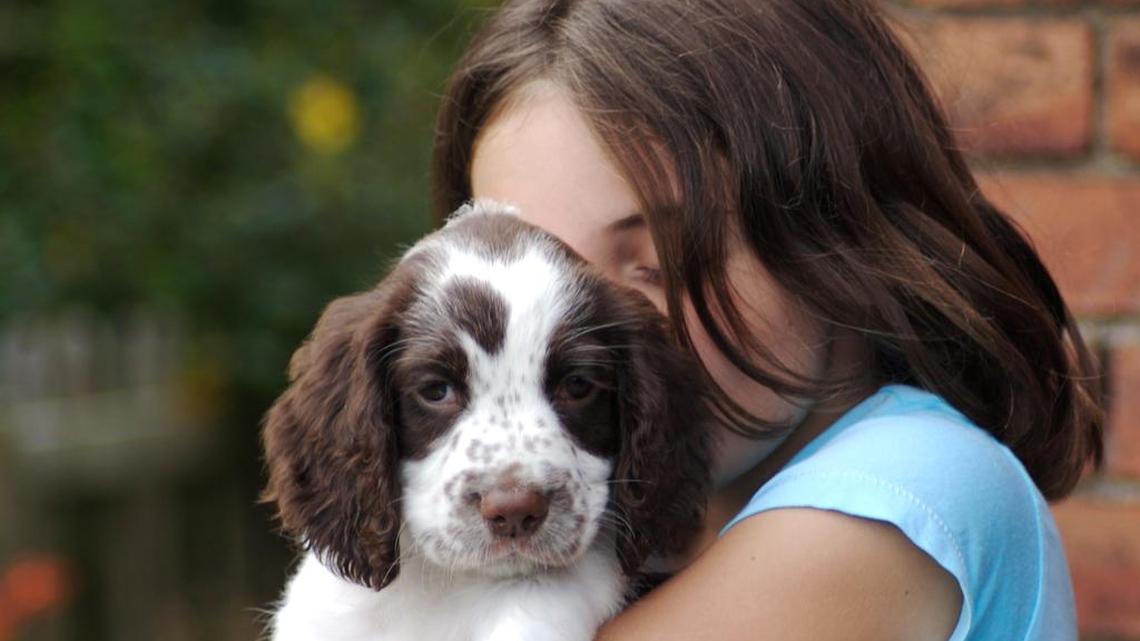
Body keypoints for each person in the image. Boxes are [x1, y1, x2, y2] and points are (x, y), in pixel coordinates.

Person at [429, 1, 1104, 639]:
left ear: (835, 229)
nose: (589, 345)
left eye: (663, 261)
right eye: (529, 282)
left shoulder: (907, 487)